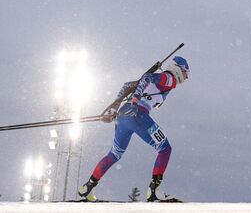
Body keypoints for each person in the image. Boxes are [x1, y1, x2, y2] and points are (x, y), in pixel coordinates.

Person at [78, 56, 190, 202]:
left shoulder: (167, 80)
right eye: (186, 72)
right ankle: (154, 191)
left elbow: (126, 86)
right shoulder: (170, 79)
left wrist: (115, 108)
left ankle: (87, 187)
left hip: (123, 115)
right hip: (137, 114)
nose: (187, 77)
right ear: (179, 69)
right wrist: (136, 97)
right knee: (165, 149)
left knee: (114, 154)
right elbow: (148, 77)